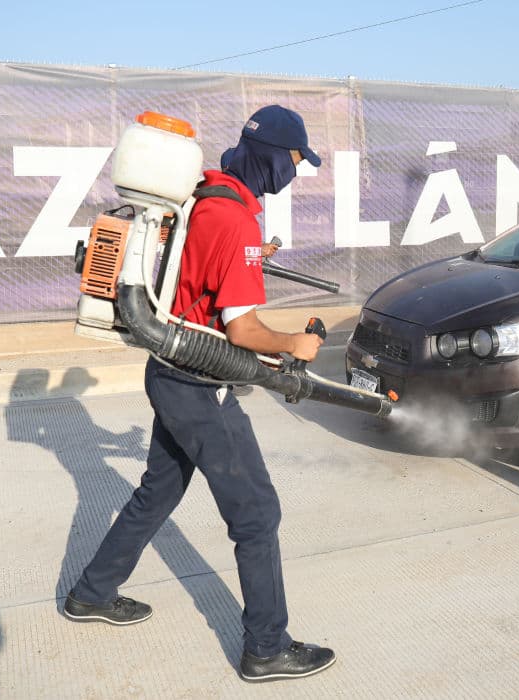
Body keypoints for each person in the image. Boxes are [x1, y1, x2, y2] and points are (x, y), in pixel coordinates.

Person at [63, 105, 336, 683]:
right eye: (295, 160)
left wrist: (253, 263)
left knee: (157, 493)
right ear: (273, 157)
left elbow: (202, 273)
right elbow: (243, 331)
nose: (296, 171)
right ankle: (267, 647)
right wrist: (296, 344)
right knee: (257, 514)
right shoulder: (237, 220)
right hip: (199, 385)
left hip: (168, 372)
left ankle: (91, 593)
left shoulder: (207, 193)